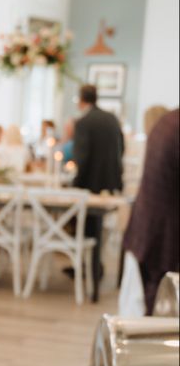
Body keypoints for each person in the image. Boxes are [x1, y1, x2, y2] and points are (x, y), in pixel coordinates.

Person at [122, 108, 179, 314]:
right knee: (158, 311)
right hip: (164, 240)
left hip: (151, 233)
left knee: (152, 306)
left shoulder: (167, 122)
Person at [72, 84, 124, 301]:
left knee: (84, 225)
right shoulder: (112, 118)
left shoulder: (83, 122)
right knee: (97, 229)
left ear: (82, 100)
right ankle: (91, 267)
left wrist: (74, 183)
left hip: (89, 184)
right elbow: (123, 147)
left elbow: (81, 157)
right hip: (110, 180)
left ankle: (88, 267)